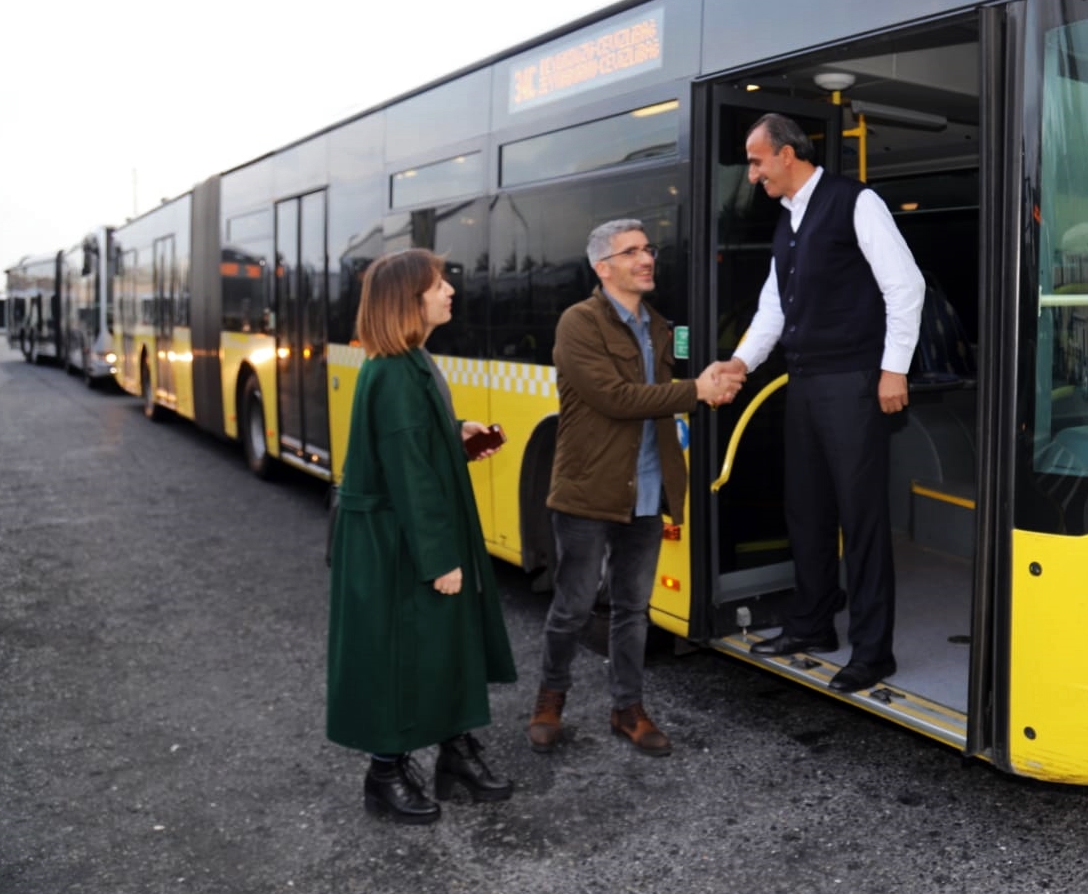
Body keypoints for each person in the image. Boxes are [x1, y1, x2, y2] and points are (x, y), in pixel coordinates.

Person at [714, 113, 924, 694]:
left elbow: (906, 286)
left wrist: (893, 369)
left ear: (786, 154)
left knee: (861, 520)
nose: (752, 175)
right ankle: (811, 625)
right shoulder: (788, 221)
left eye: (756, 162)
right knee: (805, 509)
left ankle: (873, 653)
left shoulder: (856, 203)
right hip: (805, 383)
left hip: (854, 382)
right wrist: (739, 363)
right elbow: (773, 309)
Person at [527, 219, 739, 757]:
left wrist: (711, 383)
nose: (646, 259)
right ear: (603, 268)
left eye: (648, 249)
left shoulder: (659, 326)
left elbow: (665, 398)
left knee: (633, 608)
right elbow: (615, 398)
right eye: (631, 252)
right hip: (588, 491)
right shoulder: (579, 322)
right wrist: (695, 390)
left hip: (646, 490)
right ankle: (550, 700)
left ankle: (628, 708)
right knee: (574, 606)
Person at [327, 248, 517, 825]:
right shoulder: (394, 370)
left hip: (404, 535)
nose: (449, 291)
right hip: (398, 544)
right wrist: (439, 559)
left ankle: (454, 753)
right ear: (408, 301)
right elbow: (409, 473)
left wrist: (456, 433)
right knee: (402, 654)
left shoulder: (408, 360)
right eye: (438, 285)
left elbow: (410, 444)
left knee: (442, 643)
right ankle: (384, 774)